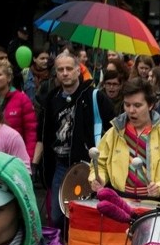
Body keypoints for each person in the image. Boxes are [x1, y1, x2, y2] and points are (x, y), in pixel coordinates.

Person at [38, 51, 115, 232]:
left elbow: (113, 127)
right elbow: (44, 133)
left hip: (86, 165)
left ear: (78, 70)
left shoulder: (93, 96)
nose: (65, 73)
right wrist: (37, 163)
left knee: (82, 215)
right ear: (56, 73)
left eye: (69, 69)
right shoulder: (52, 99)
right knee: (57, 215)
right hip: (60, 165)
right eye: (60, 69)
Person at [90, 78, 160, 200]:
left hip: (153, 203)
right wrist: (98, 178)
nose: (131, 110)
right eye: (127, 105)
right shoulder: (114, 133)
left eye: (137, 105)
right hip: (117, 199)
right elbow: (99, 164)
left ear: (150, 105)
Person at [0, 61, 39, 165]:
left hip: (15, 158)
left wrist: (28, 160)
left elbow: (31, 132)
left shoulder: (22, 99)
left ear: (9, 78)